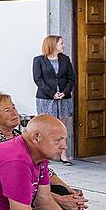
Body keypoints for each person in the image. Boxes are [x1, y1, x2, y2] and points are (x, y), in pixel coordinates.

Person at [32, 35, 75, 164]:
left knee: (62, 128)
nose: (63, 45)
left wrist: (64, 92)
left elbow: (71, 78)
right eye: (61, 43)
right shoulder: (39, 60)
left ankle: (63, 155)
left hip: (64, 98)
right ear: (52, 44)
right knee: (46, 127)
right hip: (46, 98)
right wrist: (52, 94)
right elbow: (38, 79)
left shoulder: (66, 59)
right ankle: (43, 155)